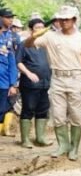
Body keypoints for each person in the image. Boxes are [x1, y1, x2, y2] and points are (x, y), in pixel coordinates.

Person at [24, 5, 81, 161]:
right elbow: (27, 45)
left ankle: (74, 148)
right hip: (57, 78)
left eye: (67, 19)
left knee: (76, 115)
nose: (63, 22)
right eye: (61, 19)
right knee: (58, 115)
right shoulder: (50, 36)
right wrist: (35, 35)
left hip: (75, 77)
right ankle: (63, 145)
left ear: (74, 20)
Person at [15, 18, 52, 148]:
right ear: (31, 30)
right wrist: (28, 73)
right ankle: (25, 139)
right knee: (28, 108)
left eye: (42, 27)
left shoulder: (45, 45)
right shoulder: (24, 44)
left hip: (45, 82)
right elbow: (18, 62)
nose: (40, 30)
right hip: (29, 83)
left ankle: (40, 137)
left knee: (43, 109)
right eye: (37, 27)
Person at [0, 8, 19, 139]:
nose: (11, 20)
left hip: (4, 81)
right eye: (8, 17)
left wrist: (13, 83)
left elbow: (12, 61)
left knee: (3, 108)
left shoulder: (11, 37)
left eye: (12, 17)